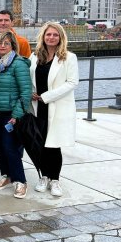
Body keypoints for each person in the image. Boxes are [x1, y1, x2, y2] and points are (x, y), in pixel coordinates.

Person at [30, 22, 79, 197]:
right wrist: (32, 92)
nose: (51, 37)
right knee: (41, 145)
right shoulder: (35, 56)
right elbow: (29, 78)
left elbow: (72, 82)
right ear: (43, 36)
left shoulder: (68, 57)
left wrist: (46, 96)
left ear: (61, 38)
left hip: (56, 107)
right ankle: (44, 177)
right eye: (48, 34)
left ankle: (55, 180)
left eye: (55, 35)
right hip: (37, 107)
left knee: (54, 145)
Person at [0, 9, 32, 170]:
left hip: (13, 97)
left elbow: (26, 67)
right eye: (0, 20)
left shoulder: (22, 42)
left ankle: (16, 159)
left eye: (6, 20)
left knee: (14, 133)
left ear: (12, 22)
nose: (3, 23)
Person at [0, 31, 33, 199]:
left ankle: (20, 181)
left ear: (13, 45)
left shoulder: (18, 64)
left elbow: (25, 92)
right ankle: (7, 176)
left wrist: (16, 115)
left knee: (10, 148)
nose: (2, 46)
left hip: (10, 114)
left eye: (6, 43)